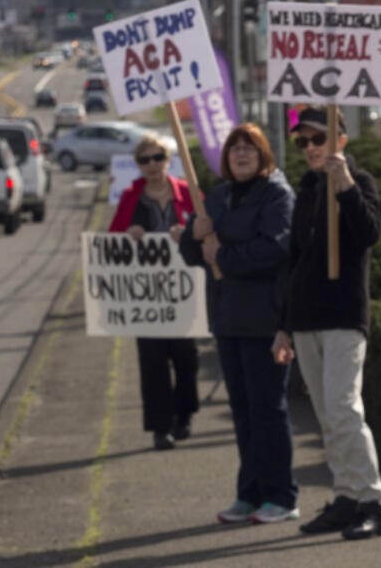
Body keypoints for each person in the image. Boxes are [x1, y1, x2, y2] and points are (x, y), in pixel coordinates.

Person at [271, 107, 381, 541]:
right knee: (326, 415)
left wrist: (344, 186)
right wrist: (284, 325)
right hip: (305, 319)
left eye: (316, 139)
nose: (308, 149)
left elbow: (368, 232)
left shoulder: (360, 182)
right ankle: (345, 497)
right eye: (302, 142)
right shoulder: (305, 188)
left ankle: (372, 501)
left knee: (344, 408)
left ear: (340, 139)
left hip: (343, 315)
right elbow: (295, 260)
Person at [178, 124, 299, 525]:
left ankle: (281, 496)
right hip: (228, 319)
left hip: (266, 319)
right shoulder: (219, 196)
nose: (242, 155)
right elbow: (197, 254)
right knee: (243, 412)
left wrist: (221, 256)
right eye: (235, 150)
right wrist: (193, 240)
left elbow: (275, 248)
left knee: (268, 410)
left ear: (264, 154)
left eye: (250, 148)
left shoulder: (278, 194)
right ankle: (249, 494)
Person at [108, 133, 200, 451]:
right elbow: (111, 241)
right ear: (137, 165)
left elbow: (208, 229)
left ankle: (184, 414)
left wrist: (187, 233)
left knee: (186, 357)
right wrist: (127, 234)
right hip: (145, 294)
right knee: (153, 363)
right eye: (144, 159)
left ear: (168, 159)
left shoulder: (187, 193)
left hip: (183, 292)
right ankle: (161, 428)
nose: (152, 165)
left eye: (157, 157)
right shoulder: (131, 197)